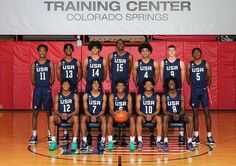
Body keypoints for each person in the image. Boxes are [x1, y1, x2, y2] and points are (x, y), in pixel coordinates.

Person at [186, 47, 215, 145]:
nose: (196, 54)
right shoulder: (190, 65)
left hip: (204, 90)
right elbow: (187, 78)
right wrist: (194, 86)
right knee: (195, 114)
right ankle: (196, 136)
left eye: (198, 52)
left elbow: (209, 78)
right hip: (194, 90)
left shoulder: (205, 64)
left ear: (201, 53)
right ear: (192, 54)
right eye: (195, 52)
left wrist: (205, 88)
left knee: (207, 113)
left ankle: (209, 136)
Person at [28, 44, 55, 144]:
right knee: (35, 112)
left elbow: (53, 78)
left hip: (47, 89)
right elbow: (32, 79)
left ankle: (49, 134)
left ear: (46, 52)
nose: (42, 52)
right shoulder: (34, 64)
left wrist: (48, 85)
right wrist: (39, 84)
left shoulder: (49, 63)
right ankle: (34, 135)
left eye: (44, 50)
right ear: (38, 52)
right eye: (40, 50)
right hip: (38, 89)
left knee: (49, 112)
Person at [160, 44, 186, 145]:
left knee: (179, 110)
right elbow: (162, 77)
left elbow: (182, 77)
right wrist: (167, 86)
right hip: (167, 89)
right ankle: (164, 136)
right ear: (167, 51)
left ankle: (181, 134)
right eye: (169, 50)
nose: (171, 52)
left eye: (173, 50)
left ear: (175, 51)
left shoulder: (180, 62)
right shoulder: (163, 62)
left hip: (177, 89)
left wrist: (178, 86)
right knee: (165, 110)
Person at [56, 43, 82, 143]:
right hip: (65, 87)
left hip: (73, 87)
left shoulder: (76, 62)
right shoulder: (61, 62)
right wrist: (64, 84)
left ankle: (74, 133)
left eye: (70, 49)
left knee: (73, 108)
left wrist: (74, 82)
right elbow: (58, 77)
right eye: (66, 49)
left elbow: (79, 75)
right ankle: (66, 134)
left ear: (72, 50)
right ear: (64, 50)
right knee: (63, 107)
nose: (68, 50)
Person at [162, 76, 195, 152]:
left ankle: (189, 142)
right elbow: (164, 111)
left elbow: (183, 110)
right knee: (165, 118)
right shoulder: (164, 96)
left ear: (176, 84)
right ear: (167, 85)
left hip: (179, 115)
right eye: (170, 83)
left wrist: (178, 115)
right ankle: (165, 142)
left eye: (173, 83)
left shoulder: (181, 96)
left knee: (190, 118)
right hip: (170, 116)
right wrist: (172, 115)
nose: (171, 84)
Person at [48, 79, 79, 151]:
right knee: (51, 118)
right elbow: (55, 110)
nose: (66, 86)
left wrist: (68, 115)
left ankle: (74, 142)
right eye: (64, 84)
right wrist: (61, 115)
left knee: (76, 118)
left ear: (70, 86)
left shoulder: (74, 96)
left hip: (70, 117)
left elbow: (77, 110)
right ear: (61, 86)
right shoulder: (58, 96)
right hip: (60, 117)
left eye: (67, 84)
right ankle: (53, 142)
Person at [107, 80, 136, 151]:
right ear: (116, 87)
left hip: (125, 116)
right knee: (109, 119)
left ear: (124, 87)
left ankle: (132, 142)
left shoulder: (128, 96)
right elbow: (111, 109)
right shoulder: (112, 96)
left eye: (122, 85)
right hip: (115, 116)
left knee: (132, 119)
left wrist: (126, 117)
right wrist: (114, 116)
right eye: (118, 85)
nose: (120, 87)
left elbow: (129, 110)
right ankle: (110, 142)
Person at [80, 78, 107, 151]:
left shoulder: (103, 96)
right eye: (94, 83)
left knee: (104, 118)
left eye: (97, 83)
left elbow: (103, 110)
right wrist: (91, 116)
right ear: (91, 85)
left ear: (99, 86)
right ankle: (84, 141)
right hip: (89, 116)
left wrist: (96, 116)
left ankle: (102, 141)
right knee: (83, 118)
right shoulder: (86, 95)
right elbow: (85, 110)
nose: (95, 85)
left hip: (99, 116)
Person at [136, 78, 162, 150]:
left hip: (153, 117)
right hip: (143, 117)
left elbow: (158, 110)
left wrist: (151, 115)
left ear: (153, 86)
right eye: (146, 84)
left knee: (159, 118)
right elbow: (137, 110)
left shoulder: (157, 96)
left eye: (150, 84)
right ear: (144, 86)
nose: (148, 85)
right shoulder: (139, 96)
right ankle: (140, 141)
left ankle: (158, 141)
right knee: (138, 118)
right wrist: (145, 115)